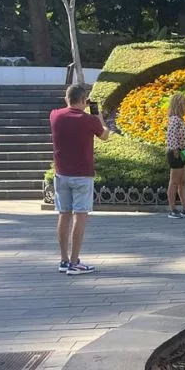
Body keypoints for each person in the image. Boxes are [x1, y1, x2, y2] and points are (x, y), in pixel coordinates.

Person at [50, 84, 110, 275]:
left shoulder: (55, 116)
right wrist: (100, 118)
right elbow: (105, 136)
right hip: (82, 175)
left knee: (63, 214)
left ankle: (64, 260)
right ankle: (75, 262)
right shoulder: (89, 120)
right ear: (84, 101)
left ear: (66, 99)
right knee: (80, 216)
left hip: (61, 174)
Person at [165, 92, 185, 219]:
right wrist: (175, 151)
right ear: (179, 105)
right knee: (174, 181)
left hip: (183, 152)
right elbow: (171, 137)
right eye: (184, 104)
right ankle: (172, 209)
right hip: (176, 153)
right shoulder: (174, 120)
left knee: (183, 181)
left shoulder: (181, 120)